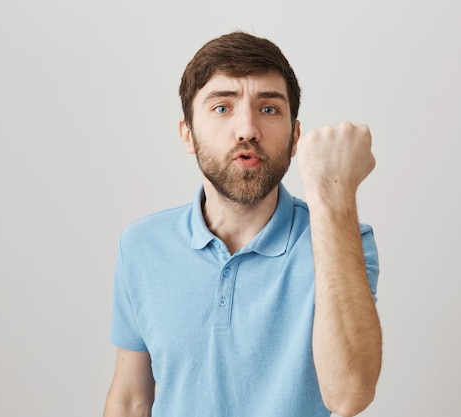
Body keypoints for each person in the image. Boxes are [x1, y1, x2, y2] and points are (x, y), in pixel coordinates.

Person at [103, 31, 382, 417]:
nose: (247, 129)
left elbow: (349, 395)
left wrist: (333, 194)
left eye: (269, 109)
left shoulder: (345, 239)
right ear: (188, 134)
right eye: (222, 108)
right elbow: (132, 399)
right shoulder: (141, 245)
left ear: (295, 135)